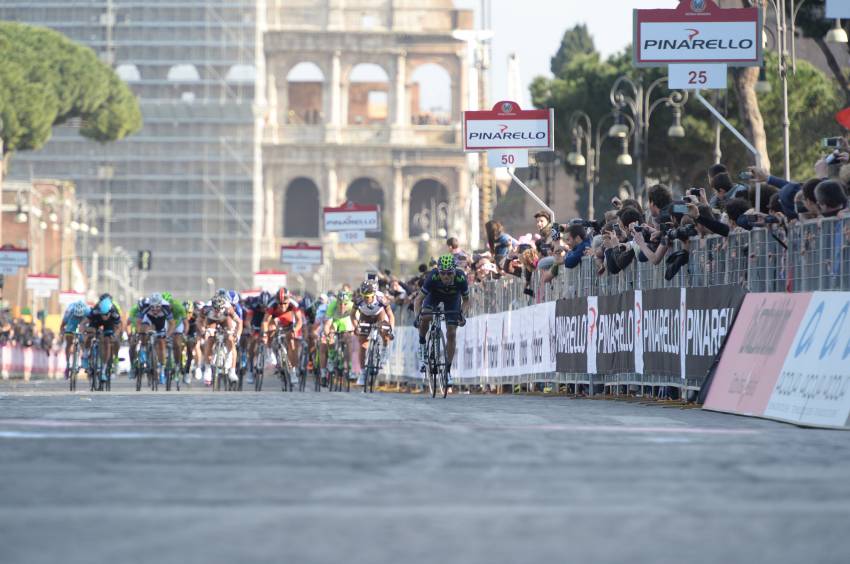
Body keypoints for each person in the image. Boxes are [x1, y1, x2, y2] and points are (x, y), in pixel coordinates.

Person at [414, 254, 470, 386]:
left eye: (449, 273)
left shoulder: (461, 277)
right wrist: (417, 316)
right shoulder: (432, 276)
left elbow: (467, 300)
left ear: (454, 271)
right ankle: (422, 343)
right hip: (433, 296)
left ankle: (447, 371)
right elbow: (418, 300)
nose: (445, 276)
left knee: (451, 333)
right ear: (438, 271)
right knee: (426, 316)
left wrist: (461, 314)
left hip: (453, 300)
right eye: (442, 273)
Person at [352, 279, 395, 385]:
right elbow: (352, 315)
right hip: (365, 316)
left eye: (368, 297)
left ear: (374, 294)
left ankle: (385, 348)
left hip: (379, 315)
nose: (365, 299)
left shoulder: (382, 299)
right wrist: (356, 326)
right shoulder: (358, 300)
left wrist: (391, 330)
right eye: (363, 296)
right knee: (362, 345)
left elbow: (390, 315)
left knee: (384, 330)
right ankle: (362, 373)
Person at [200, 294, 240, 385]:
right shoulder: (206, 309)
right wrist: (203, 330)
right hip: (211, 321)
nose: (218, 312)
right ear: (212, 307)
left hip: (225, 320)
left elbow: (239, 322)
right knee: (209, 339)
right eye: (216, 310)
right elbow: (199, 321)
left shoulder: (228, 309)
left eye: (219, 310)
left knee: (230, 338)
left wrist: (237, 334)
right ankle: (207, 370)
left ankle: (232, 371)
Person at [83, 294, 124, 384]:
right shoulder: (96, 311)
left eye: (106, 314)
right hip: (96, 321)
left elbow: (119, 327)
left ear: (110, 311)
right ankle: (85, 355)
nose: (104, 316)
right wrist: (84, 330)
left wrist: (115, 335)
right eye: (102, 314)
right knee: (90, 334)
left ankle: (104, 370)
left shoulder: (114, 313)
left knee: (107, 342)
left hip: (109, 325)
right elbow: (85, 322)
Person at [137, 293, 176, 385]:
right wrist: (139, 333)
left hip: (161, 324)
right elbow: (138, 322)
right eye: (152, 307)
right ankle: (143, 349)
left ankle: (161, 370)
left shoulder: (166, 308)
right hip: (148, 321)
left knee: (162, 344)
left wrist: (168, 335)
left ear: (161, 305)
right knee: (145, 330)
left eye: (157, 307)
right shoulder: (145, 306)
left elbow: (172, 324)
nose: (155, 310)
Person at [262, 287, 303, 375]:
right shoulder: (272, 305)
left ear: (289, 300)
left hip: (289, 321)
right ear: (277, 301)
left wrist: (295, 330)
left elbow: (299, 321)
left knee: (292, 344)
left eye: (285, 303)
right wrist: (265, 334)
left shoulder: (294, 304)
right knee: (271, 329)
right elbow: (265, 321)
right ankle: (271, 354)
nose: (283, 306)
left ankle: (293, 370)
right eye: (280, 304)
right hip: (275, 320)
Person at [322, 289, 355, 384]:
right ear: (337, 302)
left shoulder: (352, 306)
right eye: (340, 303)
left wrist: (355, 330)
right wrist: (328, 334)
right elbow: (327, 324)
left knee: (349, 339)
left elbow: (356, 321)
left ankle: (349, 364)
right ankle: (332, 356)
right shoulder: (332, 306)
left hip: (347, 321)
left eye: (345, 304)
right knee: (331, 335)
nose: (342, 306)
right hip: (335, 321)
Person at [243, 290, 273, 384]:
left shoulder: (272, 306)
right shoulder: (254, 305)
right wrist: (250, 328)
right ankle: (251, 371)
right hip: (256, 321)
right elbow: (248, 320)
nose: (264, 308)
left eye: (266, 307)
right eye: (262, 306)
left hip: (267, 320)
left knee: (270, 332)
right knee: (253, 342)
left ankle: (269, 352)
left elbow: (273, 319)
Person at [59, 301, 90, 379]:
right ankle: (68, 364)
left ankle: (85, 355)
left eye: (80, 316)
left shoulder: (88, 311)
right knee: (69, 340)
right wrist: (63, 333)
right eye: (78, 316)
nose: (79, 317)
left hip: (85, 320)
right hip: (72, 321)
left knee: (84, 338)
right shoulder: (69, 312)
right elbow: (62, 326)